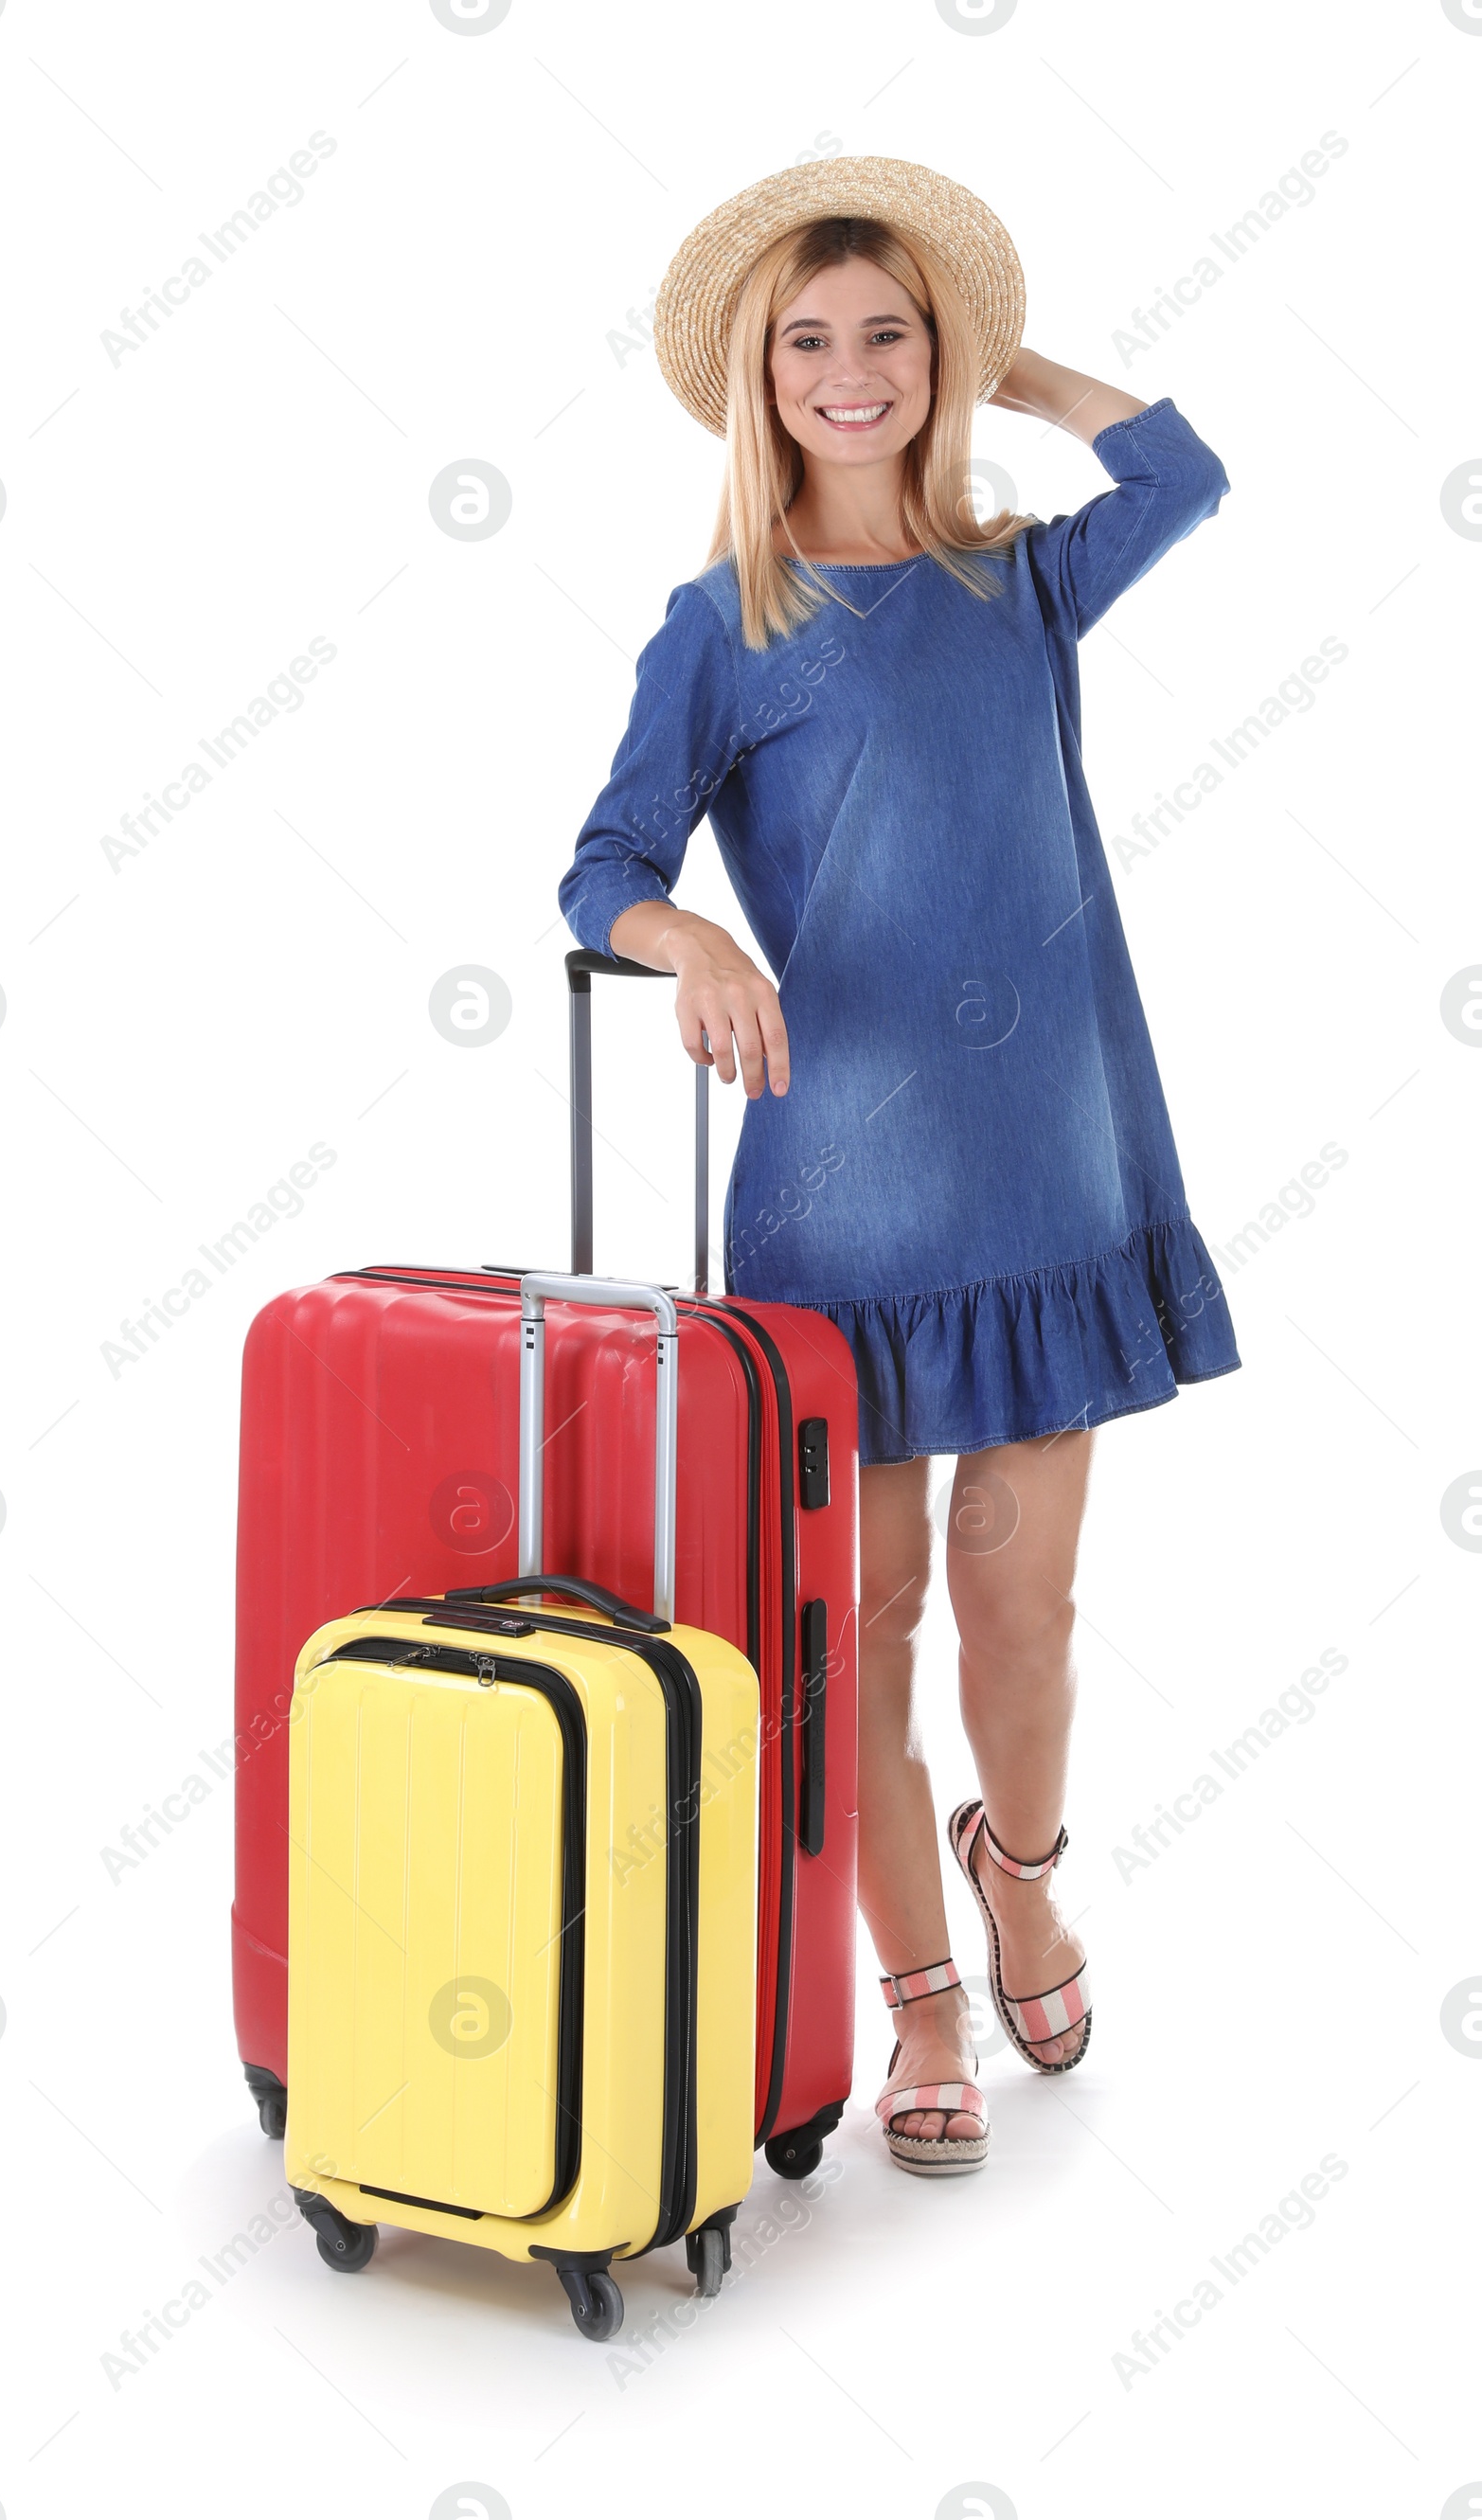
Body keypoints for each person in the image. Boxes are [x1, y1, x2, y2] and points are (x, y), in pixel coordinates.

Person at [557, 158, 1241, 2176]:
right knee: (855, 1623)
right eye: (808, 343)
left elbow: (1184, 473)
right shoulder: (721, 624)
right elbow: (602, 865)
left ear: (930, 362)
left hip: (1043, 1184)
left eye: (885, 335)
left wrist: (994, 353)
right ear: (756, 385)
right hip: (831, 1213)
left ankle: (1015, 1867)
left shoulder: (1019, 579)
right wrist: (687, 938)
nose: (847, 374)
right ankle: (917, 1995)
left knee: (1016, 1618)